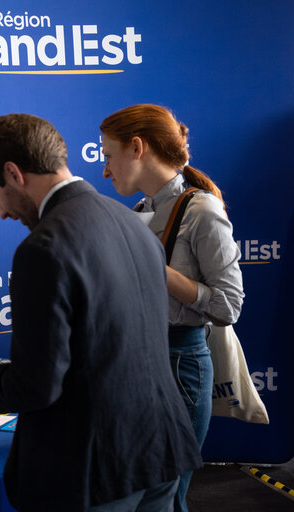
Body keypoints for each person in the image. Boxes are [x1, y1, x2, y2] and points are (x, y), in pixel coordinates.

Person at [0, 113, 202, 511]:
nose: (1, 212)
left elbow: (37, 384)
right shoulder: (134, 223)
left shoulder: (42, 249)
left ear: (13, 173)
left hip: (95, 471)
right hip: (161, 453)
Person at [99, 104, 244, 511]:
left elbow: (228, 306)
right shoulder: (140, 211)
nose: (105, 170)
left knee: (164, 496)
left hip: (181, 365)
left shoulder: (202, 211)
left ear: (137, 148)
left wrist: (159, 272)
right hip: (140, 361)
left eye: (108, 156)